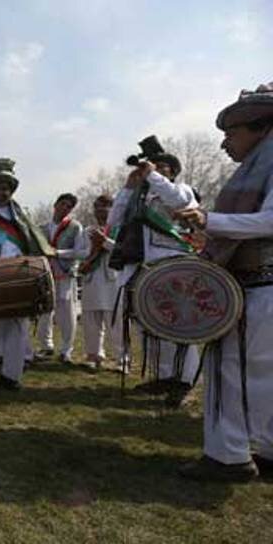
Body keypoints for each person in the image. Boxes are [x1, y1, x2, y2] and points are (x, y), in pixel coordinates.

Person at [176, 82, 273, 481]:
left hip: (257, 289)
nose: (225, 145)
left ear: (261, 128)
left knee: (228, 371)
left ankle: (228, 457)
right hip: (257, 288)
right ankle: (267, 450)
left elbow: (270, 221)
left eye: (231, 134)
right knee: (265, 374)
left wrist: (209, 220)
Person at [107, 143, 200, 407]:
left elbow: (179, 202)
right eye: (152, 166)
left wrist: (152, 175)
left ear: (172, 172)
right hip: (138, 266)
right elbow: (113, 220)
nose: (155, 170)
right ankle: (164, 376)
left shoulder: (182, 189)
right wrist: (128, 187)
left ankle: (185, 380)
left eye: (162, 167)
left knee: (178, 322)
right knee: (147, 324)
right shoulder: (137, 196)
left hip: (171, 263)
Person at [0, 159, 55, 389]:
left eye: (5, 188)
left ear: (11, 191)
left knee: (17, 329)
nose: (1, 192)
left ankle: (11, 376)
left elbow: (34, 245)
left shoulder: (23, 219)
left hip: (19, 277)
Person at [37, 193, 87, 364]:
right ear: (55, 204)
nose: (64, 208)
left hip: (66, 274)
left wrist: (58, 253)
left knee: (67, 314)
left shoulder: (75, 227)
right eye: (63, 204)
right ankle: (46, 346)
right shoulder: (42, 228)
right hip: (45, 275)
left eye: (69, 207)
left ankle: (66, 350)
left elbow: (81, 252)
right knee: (45, 312)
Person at [79, 195, 123, 370]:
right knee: (91, 321)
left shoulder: (120, 229)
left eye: (104, 206)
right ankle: (94, 355)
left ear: (113, 209)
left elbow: (123, 251)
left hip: (112, 279)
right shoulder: (88, 230)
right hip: (91, 279)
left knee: (115, 322)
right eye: (97, 207)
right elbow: (82, 253)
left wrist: (104, 242)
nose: (100, 210)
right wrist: (89, 254)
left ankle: (122, 358)